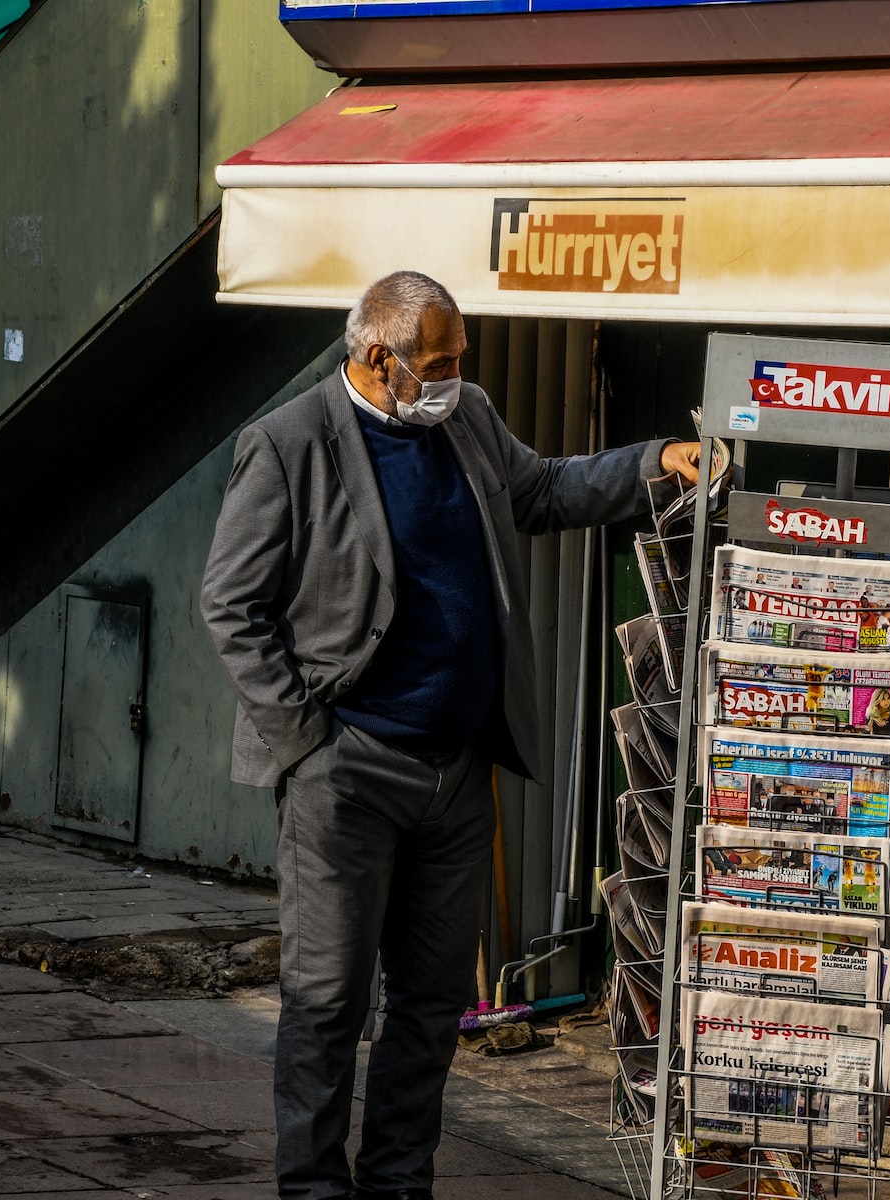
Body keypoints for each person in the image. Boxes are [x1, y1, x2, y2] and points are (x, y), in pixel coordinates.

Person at [200, 270, 701, 1200]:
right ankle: (313, 1189)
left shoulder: (461, 418)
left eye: (459, 358)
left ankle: (399, 1184)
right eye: (437, 362)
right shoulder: (287, 443)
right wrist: (307, 739)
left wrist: (651, 460)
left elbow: (544, 489)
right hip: (346, 773)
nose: (454, 376)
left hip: (458, 774)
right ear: (376, 356)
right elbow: (231, 604)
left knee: (432, 1008)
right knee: (326, 1002)